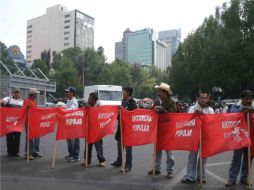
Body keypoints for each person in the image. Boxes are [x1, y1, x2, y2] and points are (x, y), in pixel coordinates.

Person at [181, 92, 214, 183]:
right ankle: (190, 176)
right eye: (201, 97)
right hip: (194, 136)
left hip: (205, 136)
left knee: (203, 157)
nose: (203, 99)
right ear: (198, 98)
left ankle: (201, 176)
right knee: (192, 156)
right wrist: (195, 114)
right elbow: (188, 120)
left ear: (207, 99)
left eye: (205, 98)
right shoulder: (192, 108)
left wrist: (203, 114)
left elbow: (211, 122)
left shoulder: (210, 110)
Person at [147, 82, 176, 178]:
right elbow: (151, 112)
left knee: (169, 152)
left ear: (165, 93)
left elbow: (173, 115)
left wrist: (163, 110)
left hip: (168, 129)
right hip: (158, 129)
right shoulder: (156, 101)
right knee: (157, 150)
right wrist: (154, 109)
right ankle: (157, 168)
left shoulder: (172, 102)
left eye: (160, 92)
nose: (158, 93)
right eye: (158, 91)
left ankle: (170, 171)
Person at [225, 90, 254, 186]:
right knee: (236, 158)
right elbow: (231, 115)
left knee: (248, 158)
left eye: (250, 99)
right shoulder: (236, 106)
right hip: (238, 136)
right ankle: (232, 178)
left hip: (251, 137)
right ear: (242, 99)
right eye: (246, 99)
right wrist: (242, 110)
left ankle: (244, 177)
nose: (248, 101)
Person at [111, 87, 137, 172]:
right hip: (121, 127)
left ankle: (128, 165)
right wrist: (117, 113)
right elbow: (120, 115)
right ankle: (119, 161)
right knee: (119, 145)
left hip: (129, 129)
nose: (122, 93)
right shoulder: (123, 102)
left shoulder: (133, 103)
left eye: (124, 92)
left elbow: (132, 115)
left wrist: (123, 110)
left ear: (128, 93)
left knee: (128, 148)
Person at [83, 92, 106, 167]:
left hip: (97, 129)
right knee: (88, 145)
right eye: (88, 98)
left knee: (98, 145)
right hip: (89, 127)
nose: (88, 99)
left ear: (94, 100)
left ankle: (101, 160)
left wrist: (89, 107)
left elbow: (96, 113)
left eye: (90, 98)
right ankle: (87, 160)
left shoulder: (99, 105)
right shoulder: (87, 104)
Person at [0, 88, 23, 157]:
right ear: (13, 93)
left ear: (20, 94)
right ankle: (10, 151)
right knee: (9, 137)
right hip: (9, 121)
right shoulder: (8, 99)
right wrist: (2, 102)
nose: (16, 93)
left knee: (17, 137)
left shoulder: (22, 101)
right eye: (15, 92)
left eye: (18, 92)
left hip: (17, 122)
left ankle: (15, 152)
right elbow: (1, 101)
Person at [23, 88, 41, 160]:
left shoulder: (33, 101)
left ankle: (34, 152)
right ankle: (27, 153)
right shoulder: (27, 101)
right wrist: (27, 108)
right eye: (36, 94)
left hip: (34, 121)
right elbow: (24, 110)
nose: (36, 95)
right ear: (33, 94)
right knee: (29, 137)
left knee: (36, 137)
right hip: (28, 121)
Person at [64, 86, 80, 162]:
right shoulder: (68, 100)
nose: (67, 93)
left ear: (72, 93)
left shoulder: (74, 101)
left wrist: (64, 110)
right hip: (69, 123)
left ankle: (76, 156)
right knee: (69, 140)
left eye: (68, 92)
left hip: (74, 123)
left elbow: (72, 109)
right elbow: (67, 108)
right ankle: (71, 154)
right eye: (66, 92)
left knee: (74, 140)